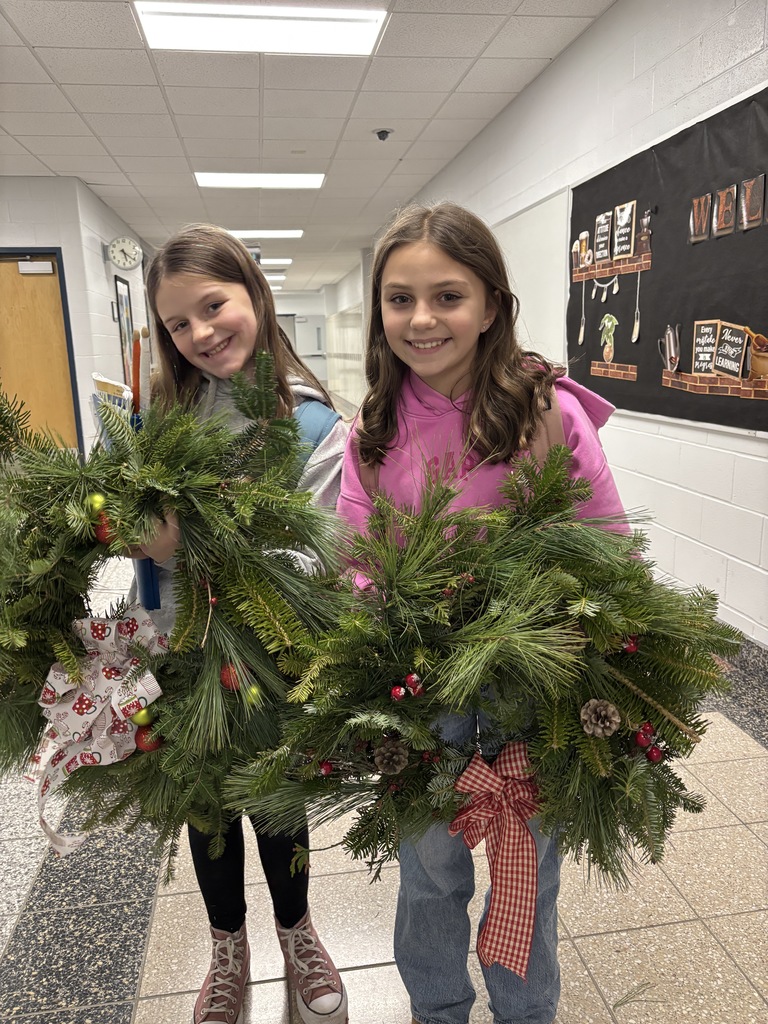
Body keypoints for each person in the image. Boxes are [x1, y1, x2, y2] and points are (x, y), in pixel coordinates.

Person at [335, 201, 625, 1024]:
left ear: (491, 304)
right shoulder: (375, 430)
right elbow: (359, 560)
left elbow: (607, 545)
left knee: (529, 872)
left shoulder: (547, 413)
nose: (422, 319)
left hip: (533, 690)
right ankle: (436, 1010)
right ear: (379, 311)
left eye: (448, 296)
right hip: (420, 694)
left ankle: (526, 1012)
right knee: (429, 874)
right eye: (400, 298)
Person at [135, 224, 349, 1024]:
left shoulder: (312, 426)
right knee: (207, 806)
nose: (199, 333)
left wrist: (187, 538)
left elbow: (316, 564)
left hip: (279, 660)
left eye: (213, 305)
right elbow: (144, 555)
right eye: (177, 323)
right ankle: (228, 946)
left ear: (255, 293)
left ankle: (297, 931)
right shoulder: (163, 424)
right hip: (184, 655)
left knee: (276, 801)